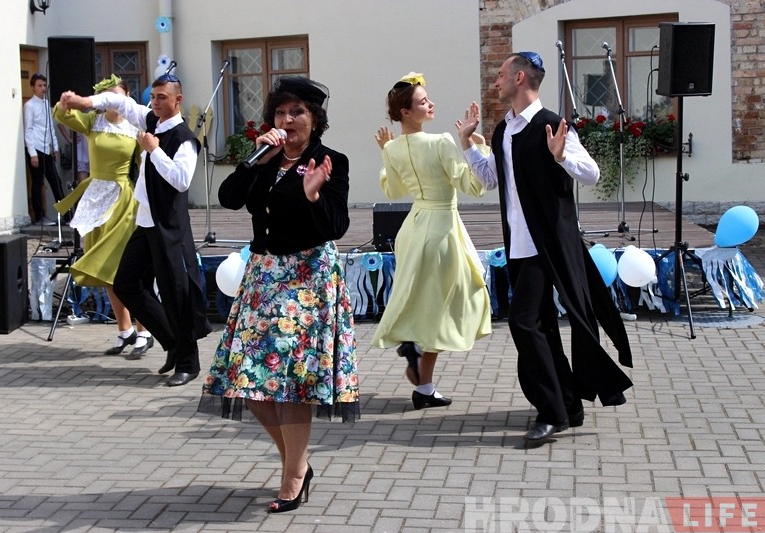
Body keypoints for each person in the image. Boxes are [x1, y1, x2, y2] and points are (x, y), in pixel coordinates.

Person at [198, 77, 359, 513]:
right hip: (264, 276)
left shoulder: (331, 162)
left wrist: (312, 196)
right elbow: (229, 199)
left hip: (307, 279)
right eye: (281, 113)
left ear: (315, 120)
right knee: (251, 384)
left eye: (298, 113)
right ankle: (299, 463)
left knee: (290, 386)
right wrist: (253, 160)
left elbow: (334, 227)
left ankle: (292, 478)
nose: (288, 121)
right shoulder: (265, 160)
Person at [457, 51, 633, 443]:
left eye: (501, 74)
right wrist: (467, 142)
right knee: (542, 326)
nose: (496, 81)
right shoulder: (504, 130)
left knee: (523, 322)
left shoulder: (553, 125)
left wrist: (563, 155)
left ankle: (553, 411)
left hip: (548, 244)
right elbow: (489, 180)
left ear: (520, 78)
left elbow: (592, 173)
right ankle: (568, 405)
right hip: (518, 244)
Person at [62, 73, 212, 387]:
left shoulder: (186, 139)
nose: (155, 103)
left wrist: (154, 150)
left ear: (177, 100)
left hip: (169, 228)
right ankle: (171, 342)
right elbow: (119, 101)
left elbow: (182, 181)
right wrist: (84, 102)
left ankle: (188, 362)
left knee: (176, 293)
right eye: (153, 97)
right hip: (144, 223)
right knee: (127, 283)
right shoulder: (149, 119)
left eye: (162, 98)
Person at [370, 72, 492, 411]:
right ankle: (418, 356)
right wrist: (476, 145)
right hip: (441, 227)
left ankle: (423, 381)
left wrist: (386, 153)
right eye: (423, 101)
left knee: (426, 299)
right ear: (406, 112)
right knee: (451, 300)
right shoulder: (440, 142)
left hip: (413, 228)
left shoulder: (393, 147)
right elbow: (472, 185)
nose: (430, 103)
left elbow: (393, 191)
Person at [53, 75, 153, 358]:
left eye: (118, 96)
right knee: (106, 270)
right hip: (96, 201)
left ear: (127, 99)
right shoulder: (92, 123)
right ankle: (125, 331)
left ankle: (144, 331)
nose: (113, 102)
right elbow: (62, 115)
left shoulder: (136, 128)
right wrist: (65, 101)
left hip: (123, 200)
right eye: (107, 96)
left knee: (128, 269)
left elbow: (145, 166)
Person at [24, 72, 65, 226]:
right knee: (38, 183)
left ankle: (65, 215)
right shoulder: (29, 106)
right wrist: (32, 153)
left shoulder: (47, 104)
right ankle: (39, 216)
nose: (42, 88)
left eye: (44, 86)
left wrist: (54, 146)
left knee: (56, 181)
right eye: (39, 86)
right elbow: (28, 130)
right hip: (36, 149)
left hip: (47, 149)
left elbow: (50, 127)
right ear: (33, 88)